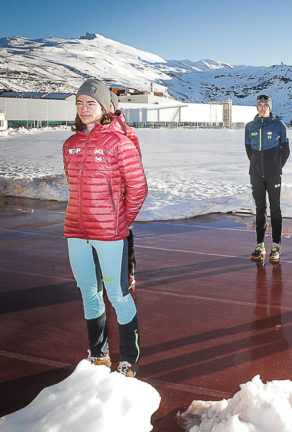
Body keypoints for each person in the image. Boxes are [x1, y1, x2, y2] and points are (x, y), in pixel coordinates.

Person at [63, 78, 148, 377]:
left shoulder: (119, 143)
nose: (84, 109)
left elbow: (138, 187)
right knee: (88, 293)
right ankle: (98, 354)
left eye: (91, 103)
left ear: (104, 108)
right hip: (76, 231)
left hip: (110, 234)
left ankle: (128, 358)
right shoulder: (70, 145)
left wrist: (122, 220)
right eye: (80, 103)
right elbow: (74, 188)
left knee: (118, 296)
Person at [245, 94, 290, 264]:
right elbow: (249, 150)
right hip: (256, 174)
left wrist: (275, 168)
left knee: (275, 209)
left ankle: (276, 246)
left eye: (265, 105)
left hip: (273, 175)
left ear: (270, 107)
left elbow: (285, 151)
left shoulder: (279, 125)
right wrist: (257, 166)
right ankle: (260, 245)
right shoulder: (250, 127)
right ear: (257, 107)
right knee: (260, 209)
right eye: (260, 105)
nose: (262, 107)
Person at [108, 92, 139, 297]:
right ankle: (107, 276)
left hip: (119, 193)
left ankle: (128, 274)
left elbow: (134, 167)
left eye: (107, 103)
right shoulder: (88, 129)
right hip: (97, 195)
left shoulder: (126, 132)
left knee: (124, 235)